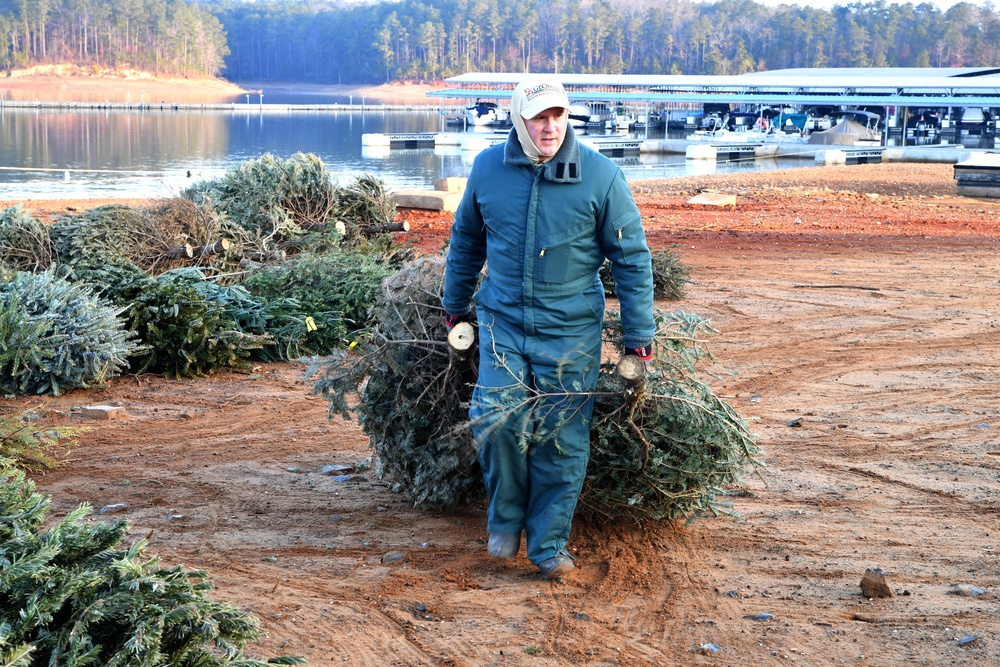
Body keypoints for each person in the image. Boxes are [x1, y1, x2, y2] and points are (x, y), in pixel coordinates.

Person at [442, 75, 655, 579]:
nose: (550, 127)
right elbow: (466, 242)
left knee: (562, 435)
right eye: (539, 116)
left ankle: (548, 546)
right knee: (496, 418)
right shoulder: (487, 170)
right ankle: (506, 522)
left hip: (570, 326)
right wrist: (454, 308)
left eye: (558, 115)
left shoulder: (601, 177)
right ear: (518, 118)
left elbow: (631, 259)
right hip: (503, 321)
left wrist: (638, 337)